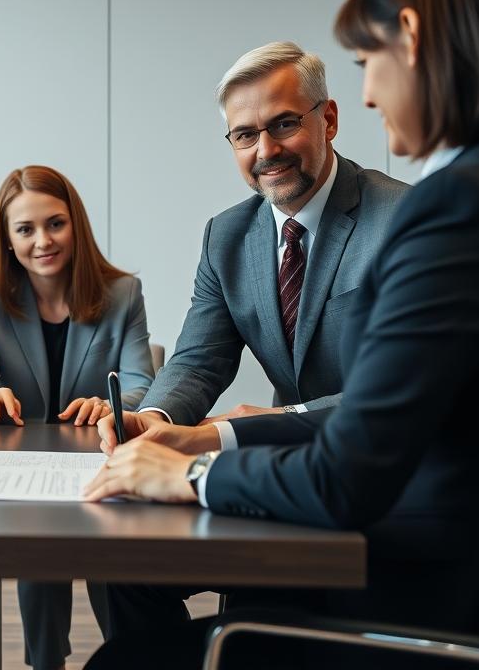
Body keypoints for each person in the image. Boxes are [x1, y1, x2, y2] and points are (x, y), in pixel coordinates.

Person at [84, 0, 479, 669]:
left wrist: (189, 471)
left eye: (367, 61)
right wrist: (200, 435)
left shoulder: (458, 210)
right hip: (475, 572)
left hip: (425, 610)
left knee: (124, 663)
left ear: (411, 38)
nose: (372, 92)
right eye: (244, 134)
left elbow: (346, 475)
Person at [99, 41, 409, 636]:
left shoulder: (397, 222)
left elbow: (393, 397)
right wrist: (155, 415)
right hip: (276, 479)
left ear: (330, 119)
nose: (265, 151)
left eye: (284, 124)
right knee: (123, 560)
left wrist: (236, 430)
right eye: (244, 135)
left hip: (367, 491)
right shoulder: (228, 235)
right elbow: (197, 358)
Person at [0, 165, 155, 670]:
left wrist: (115, 407)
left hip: (100, 463)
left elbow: (141, 383)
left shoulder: (122, 294)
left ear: (76, 225)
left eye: (55, 224)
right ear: (7, 239)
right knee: (37, 536)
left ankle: (126, 654)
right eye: (25, 229)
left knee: (114, 570)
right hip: (19, 470)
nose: (42, 240)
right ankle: (44, 661)